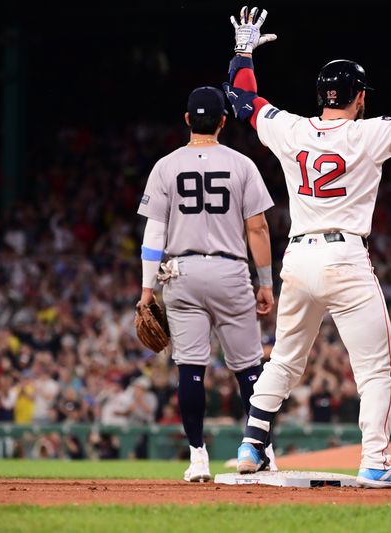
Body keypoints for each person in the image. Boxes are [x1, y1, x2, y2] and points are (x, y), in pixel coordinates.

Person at [222, 6, 391, 488]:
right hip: (345, 258)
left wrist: (243, 51)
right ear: (359, 97)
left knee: (284, 360)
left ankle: (252, 444)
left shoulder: (290, 127)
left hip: (297, 257)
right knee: (375, 369)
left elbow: (240, 99)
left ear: (322, 95)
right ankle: (375, 460)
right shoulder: (367, 133)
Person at [137, 85, 276, 482]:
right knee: (250, 369)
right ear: (222, 121)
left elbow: (154, 234)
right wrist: (264, 282)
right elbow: (258, 227)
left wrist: (147, 291)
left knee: (191, 369)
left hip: (181, 273)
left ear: (186, 120)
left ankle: (198, 458)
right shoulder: (242, 164)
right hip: (230, 271)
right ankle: (261, 451)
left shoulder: (165, 166)